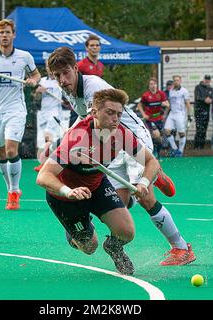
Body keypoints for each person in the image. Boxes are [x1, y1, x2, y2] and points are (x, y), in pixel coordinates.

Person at [48, 47, 195, 266]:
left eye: (66, 73)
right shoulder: (69, 90)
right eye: (57, 76)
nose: (62, 79)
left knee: (145, 196)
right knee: (120, 202)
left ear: (76, 69)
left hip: (132, 139)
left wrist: (59, 151)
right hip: (110, 147)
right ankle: (155, 175)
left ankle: (181, 248)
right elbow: (84, 124)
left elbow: (88, 121)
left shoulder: (93, 87)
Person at [36, 88, 161, 275]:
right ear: (94, 112)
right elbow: (43, 176)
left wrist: (143, 182)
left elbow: (152, 162)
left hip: (96, 185)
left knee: (126, 232)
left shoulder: (122, 135)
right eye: (110, 113)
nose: (115, 119)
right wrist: (68, 191)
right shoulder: (76, 139)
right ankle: (74, 231)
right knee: (89, 247)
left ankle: (113, 247)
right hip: (65, 197)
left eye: (119, 114)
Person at [0, 19, 41, 210]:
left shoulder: (24, 56)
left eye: (8, 32)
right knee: (1, 153)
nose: (4, 36)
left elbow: (36, 75)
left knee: (12, 150)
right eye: (1, 33)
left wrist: (32, 81)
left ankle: (14, 192)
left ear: (14, 35)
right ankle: (10, 189)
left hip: (16, 110)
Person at [68, 34, 106, 128]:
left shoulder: (101, 65)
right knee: (75, 132)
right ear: (86, 48)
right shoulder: (80, 65)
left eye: (97, 45)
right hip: (80, 103)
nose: (95, 47)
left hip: (96, 104)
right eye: (92, 45)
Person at [34, 61, 64, 172]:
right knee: (47, 139)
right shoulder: (41, 81)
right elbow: (36, 99)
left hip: (55, 112)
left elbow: (66, 98)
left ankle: (44, 164)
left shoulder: (60, 80)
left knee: (48, 136)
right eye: (47, 66)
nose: (49, 68)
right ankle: (49, 163)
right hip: (43, 113)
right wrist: (38, 92)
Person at [137, 77, 169, 158]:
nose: (153, 86)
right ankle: (154, 152)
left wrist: (165, 110)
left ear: (157, 85)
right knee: (156, 135)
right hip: (150, 119)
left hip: (159, 118)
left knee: (159, 138)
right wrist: (144, 114)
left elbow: (167, 104)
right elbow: (139, 105)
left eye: (154, 84)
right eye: (151, 84)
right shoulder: (146, 95)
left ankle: (157, 152)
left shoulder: (161, 94)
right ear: (149, 86)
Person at [164, 75, 192, 157]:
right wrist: (166, 113)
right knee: (167, 131)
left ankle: (180, 151)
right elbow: (170, 104)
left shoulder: (184, 91)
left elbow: (188, 103)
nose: (176, 82)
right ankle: (175, 148)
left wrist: (190, 115)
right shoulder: (171, 91)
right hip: (172, 113)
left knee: (181, 134)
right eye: (175, 80)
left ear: (180, 81)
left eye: (177, 80)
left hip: (180, 114)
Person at [194, 75, 213, 149]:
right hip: (198, 111)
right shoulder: (198, 87)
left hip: (206, 111)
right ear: (204, 79)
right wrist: (205, 100)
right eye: (206, 79)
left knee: (204, 129)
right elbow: (197, 97)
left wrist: (211, 100)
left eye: (208, 79)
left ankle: (202, 147)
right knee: (199, 129)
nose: (207, 81)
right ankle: (196, 147)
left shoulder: (211, 88)